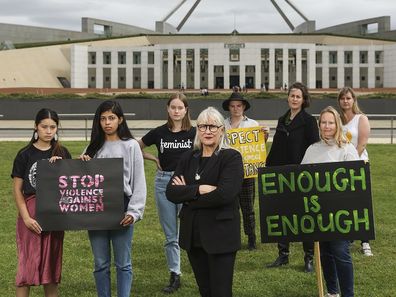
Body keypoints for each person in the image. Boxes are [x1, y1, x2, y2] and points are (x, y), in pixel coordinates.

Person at [166, 107, 244, 297]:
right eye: (202, 126)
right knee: (205, 291)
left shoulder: (231, 157)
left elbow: (225, 194)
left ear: (221, 130)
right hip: (194, 236)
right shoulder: (189, 157)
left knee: (221, 292)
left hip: (221, 236)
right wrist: (199, 189)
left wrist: (188, 195)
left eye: (212, 126)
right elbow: (171, 192)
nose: (207, 131)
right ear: (197, 130)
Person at [80, 100, 146, 297]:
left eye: (111, 118)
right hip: (97, 208)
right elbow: (81, 183)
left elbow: (139, 182)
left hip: (122, 207)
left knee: (123, 263)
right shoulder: (92, 148)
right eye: (103, 119)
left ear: (120, 119)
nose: (107, 122)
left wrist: (134, 212)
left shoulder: (131, 146)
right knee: (100, 263)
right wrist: (82, 164)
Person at [138, 93, 195, 293]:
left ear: (186, 110)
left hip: (187, 184)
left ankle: (200, 269)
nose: (177, 111)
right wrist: (153, 159)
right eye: (173, 107)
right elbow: (136, 146)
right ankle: (175, 273)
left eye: (180, 108)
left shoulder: (194, 133)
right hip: (164, 183)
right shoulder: (159, 133)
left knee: (191, 230)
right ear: (168, 109)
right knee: (171, 234)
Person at [11, 108, 71, 297]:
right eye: (44, 126)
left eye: (53, 127)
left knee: (51, 270)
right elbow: (17, 190)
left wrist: (61, 168)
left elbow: (71, 186)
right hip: (31, 212)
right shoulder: (25, 154)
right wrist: (26, 217)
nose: (48, 131)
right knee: (26, 267)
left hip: (54, 214)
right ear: (36, 127)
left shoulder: (62, 152)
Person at [301, 106, 358, 297]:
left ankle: (348, 294)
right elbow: (301, 180)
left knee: (340, 252)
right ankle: (332, 292)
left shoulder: (347, 149)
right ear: (319, 125)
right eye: (323, 122)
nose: (327, 126)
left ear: (337, 125)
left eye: (331, 122)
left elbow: (356, 184)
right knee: (325, 253)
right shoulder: (312, 149)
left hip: (340, 213)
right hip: (319, 212)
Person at [266, 81, 319, 273]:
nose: (294, 99)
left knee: (305, 216)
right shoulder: (282, 120)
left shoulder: (309, 120)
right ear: (288, 97)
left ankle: (309, 257)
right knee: (283, 215)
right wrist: (266, 166)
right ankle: (283, 254)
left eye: (298, 96)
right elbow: (277, 147)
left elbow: (315, 147)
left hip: (302, 174)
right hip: (282, 174)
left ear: (304, 100)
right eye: (292, 95)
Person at [222, 92, 269, 250]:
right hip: (228, 173)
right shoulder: (222, 125)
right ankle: (232, 238)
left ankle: (251, 238)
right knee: (230, 207)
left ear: (244, 107)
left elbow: (259, 146)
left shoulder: (252, 124)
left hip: (248, 172)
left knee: (248, 207)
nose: (236, 109)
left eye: (239, 106)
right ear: (229, 107)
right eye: (233, 106)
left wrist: (265, 136)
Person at [337, 87, 373, 256]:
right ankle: (349, 238)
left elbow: (362, 144)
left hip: (358, 165)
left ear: (353, 100)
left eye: (348, 98)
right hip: (341, 168)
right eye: (343, 98)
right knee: (346, 204)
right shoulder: (337, 120)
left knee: (362, 204)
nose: (345, 101)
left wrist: (351, 163)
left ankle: (365, 241)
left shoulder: (361, 118)